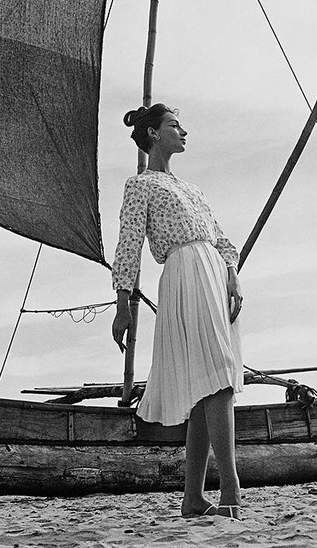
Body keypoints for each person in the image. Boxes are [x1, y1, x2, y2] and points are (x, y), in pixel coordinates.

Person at [111, 103, 244, 519]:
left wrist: (232, 274)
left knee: (209, 384)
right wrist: (123, 305)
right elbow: (129, 245)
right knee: (218, 376)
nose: (183, 132)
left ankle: (192, 498)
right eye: (174, 125)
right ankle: (231, 485)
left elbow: (220, 238)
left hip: (213, 274)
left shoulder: (194, 189)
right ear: (153, 133)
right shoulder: (140, 186)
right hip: (183, 273)